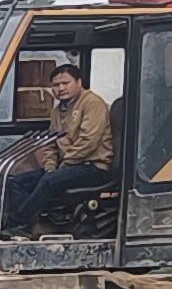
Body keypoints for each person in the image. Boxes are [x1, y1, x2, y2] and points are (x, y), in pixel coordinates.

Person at [22, 61, 118, 234]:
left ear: (79, 82)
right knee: (17, 182)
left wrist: (64, 164)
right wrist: (50, 167)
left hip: (92, 167)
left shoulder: (92, 103)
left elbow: (89, 141)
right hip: (66, 166)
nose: (60, 88)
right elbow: (51, 143)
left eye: (65, 83)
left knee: (48, 182)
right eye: (56, 85)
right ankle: (31, 223)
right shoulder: (57, 111)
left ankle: (15, 222)